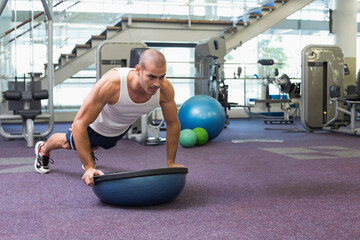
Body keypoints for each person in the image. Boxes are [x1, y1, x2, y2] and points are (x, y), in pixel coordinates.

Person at [34, 49, 184, 186]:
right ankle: (43, 149)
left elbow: (172, 123)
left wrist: (171, 162)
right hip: (93, 127)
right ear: (138, 70)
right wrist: (89, 168)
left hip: (119, 130)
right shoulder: (112, 84)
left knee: (94, 145)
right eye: (151, 77)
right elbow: (79, 123)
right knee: (67, 142)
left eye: (161, 77)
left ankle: (90, 150)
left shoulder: (165, 89)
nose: (157, 84)